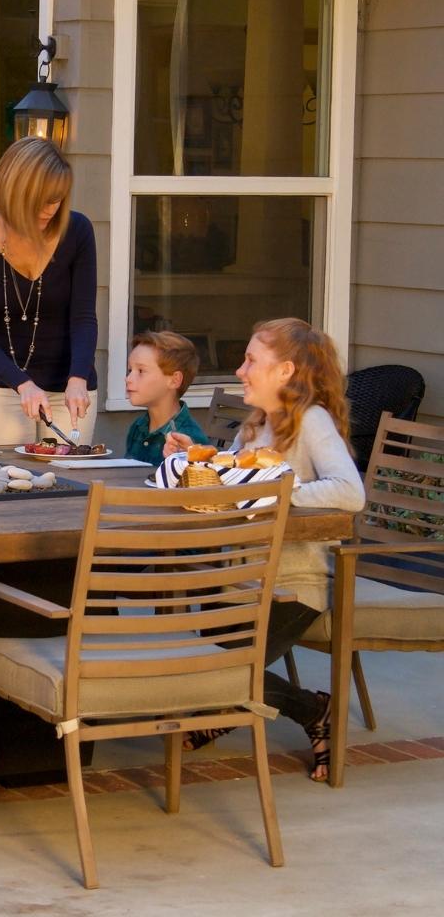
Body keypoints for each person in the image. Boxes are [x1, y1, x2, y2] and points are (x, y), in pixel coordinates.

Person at [164, 317, 365, 782]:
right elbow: (236, 482)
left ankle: (314, 709)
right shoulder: (256, 425)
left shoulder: (311, 421)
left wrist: (280, 492)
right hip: (241, 579)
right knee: (194, 660)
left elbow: (350, 493)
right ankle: (225, 707)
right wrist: (200, 454)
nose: (239, 370)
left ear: (286, 371)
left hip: (295, 587)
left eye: (251, 359)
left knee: (227, 670)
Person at [0, 137, 98, 448]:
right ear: (15, 192)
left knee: (66, 485)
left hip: (69, 388)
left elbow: (84, 318)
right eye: (41, 201)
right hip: (1, 388)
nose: (50, 210)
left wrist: (78, 379)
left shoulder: (78, 231)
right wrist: (23, 384)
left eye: (57, 199)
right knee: (11, 485)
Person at [124, 330, 209, 466]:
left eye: (140, 371)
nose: (128, 379)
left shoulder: (189, 439)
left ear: (174, 380)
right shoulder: (138, 427)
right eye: (130, 370)